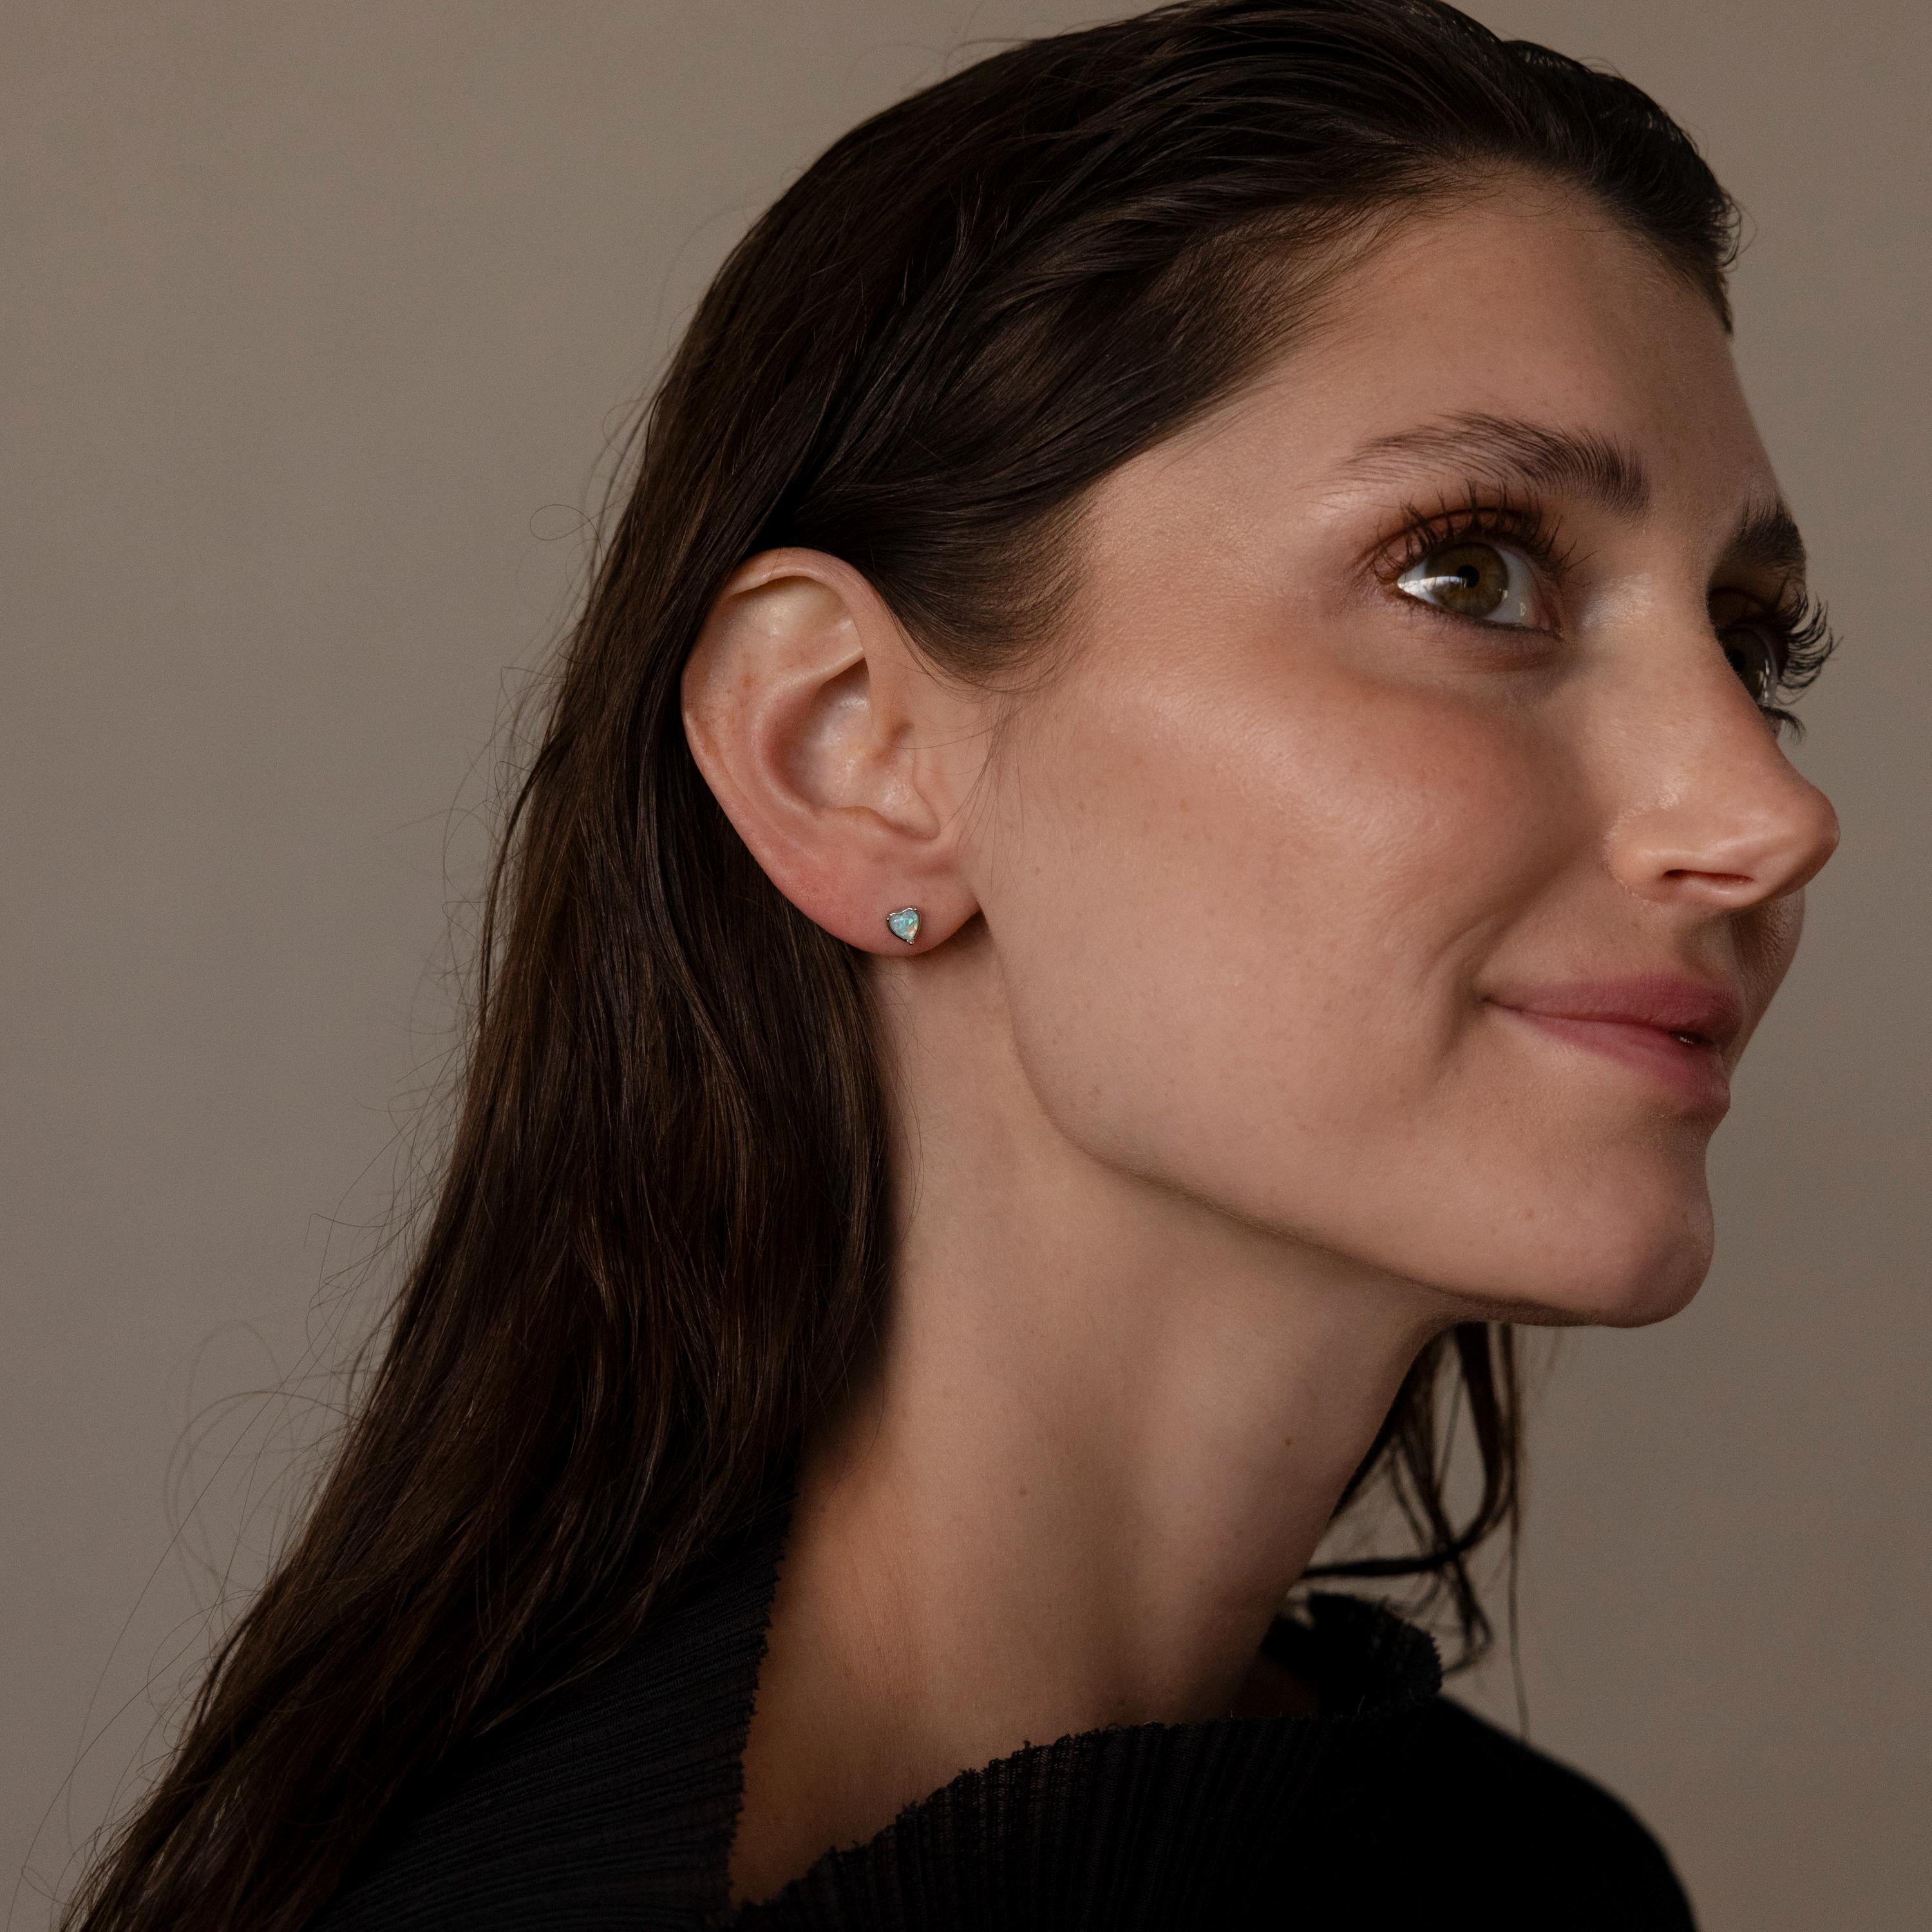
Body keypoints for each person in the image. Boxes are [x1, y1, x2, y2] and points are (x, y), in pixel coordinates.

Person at [62, 1, 1842, 1927]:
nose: (1764, 812)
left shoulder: (1549, 1886)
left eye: (1750, 648)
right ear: (849, 751)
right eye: (1467, 573)